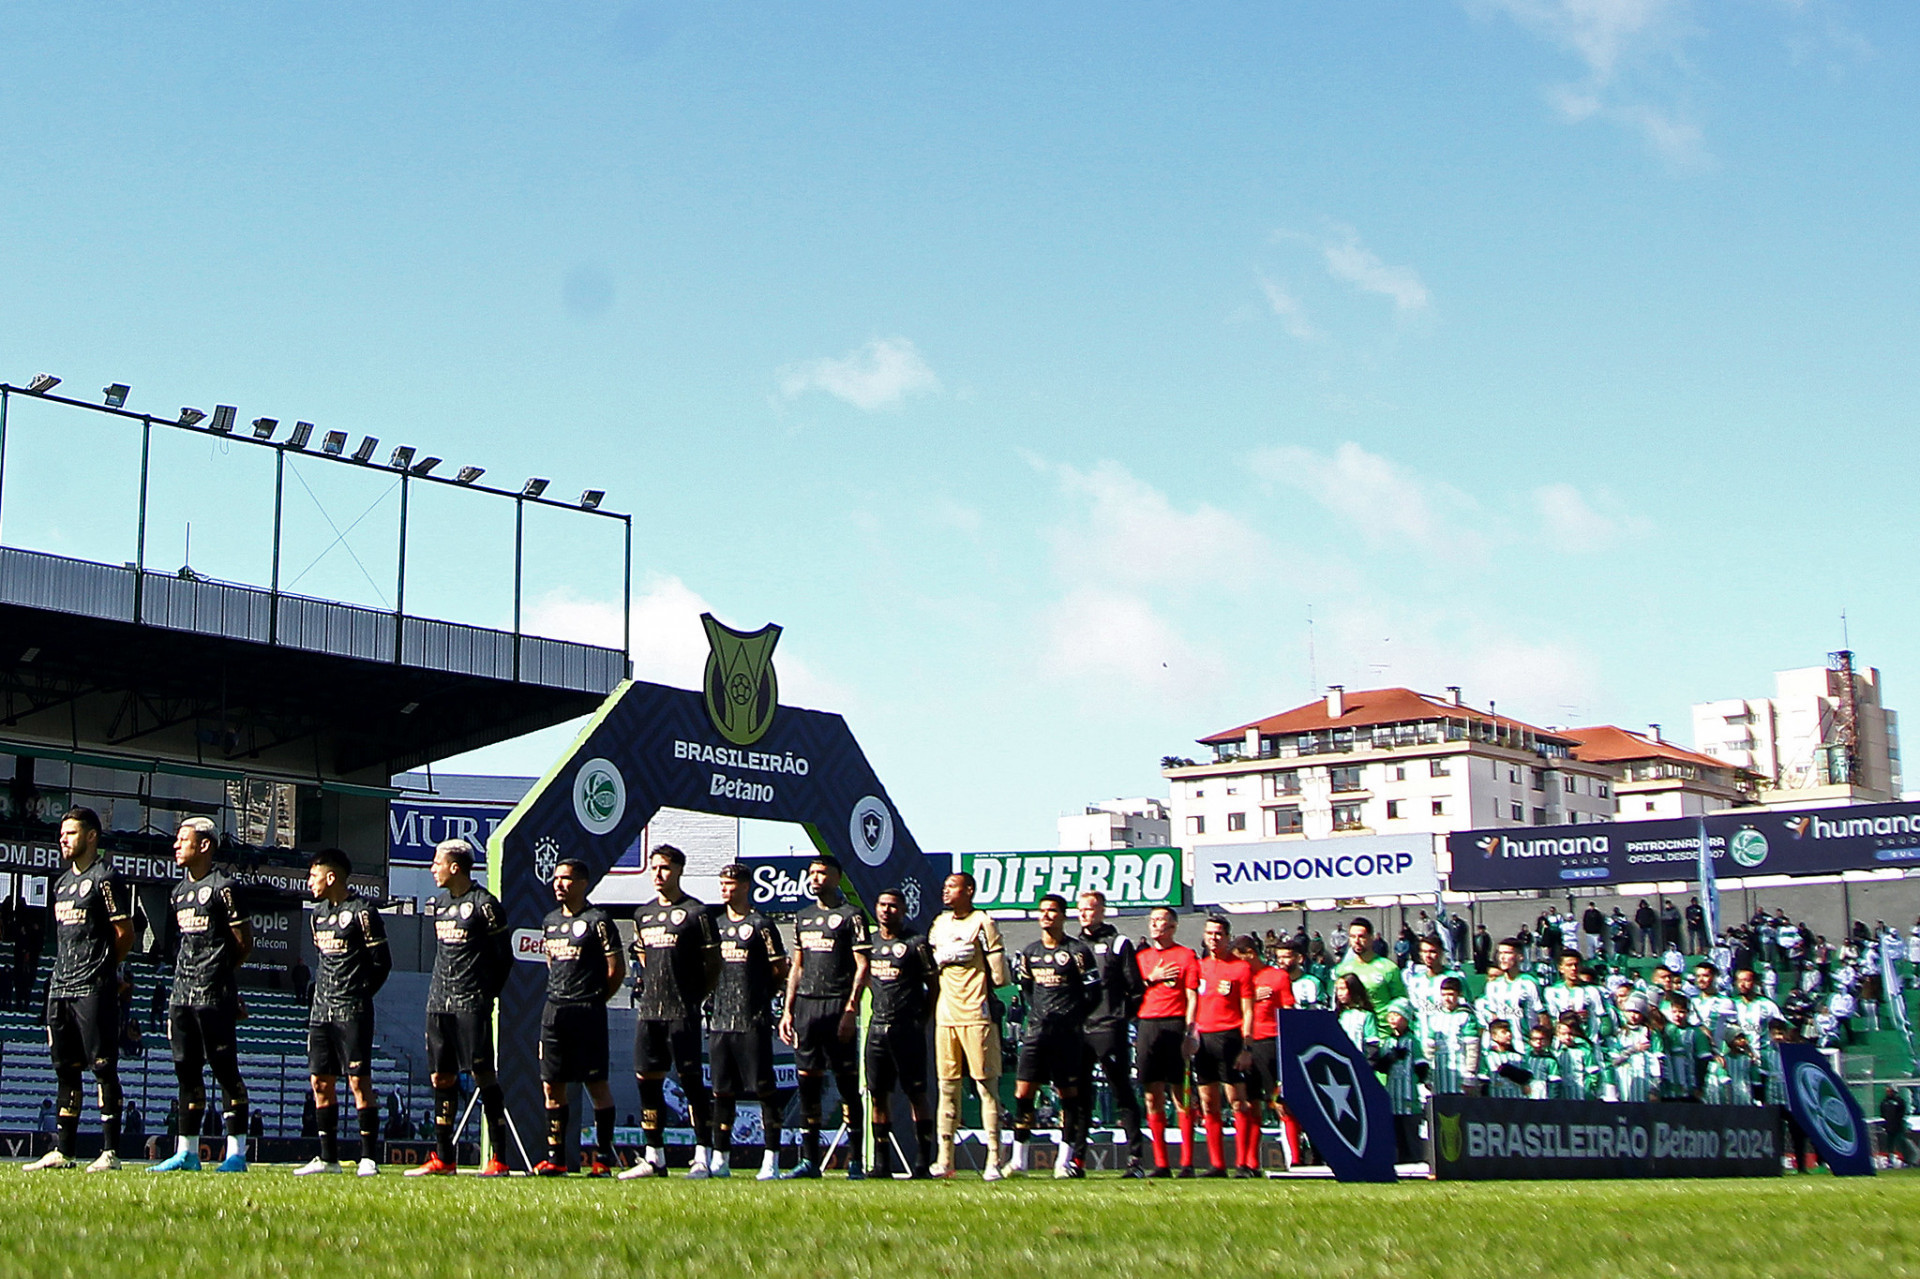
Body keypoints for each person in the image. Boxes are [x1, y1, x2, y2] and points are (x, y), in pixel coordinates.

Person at [27, 808, 134, 1172]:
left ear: (91, 837)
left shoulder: (106, 879)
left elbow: (125, 934)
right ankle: (64, 1150)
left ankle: (109, 1152)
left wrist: (104, 970)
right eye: (62, 833)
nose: (63, 839)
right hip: (61, 986)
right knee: (65, 1069)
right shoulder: (60, 885)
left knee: (103, 1066)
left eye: (71, 833)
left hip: (94, 986)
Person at [150, 817, 254, 1174]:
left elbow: (244, 943)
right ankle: (186, 1152)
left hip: (214, 993)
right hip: (182, 993)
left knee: (226, 1070)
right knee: (186, 1072)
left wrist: (221, 976)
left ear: (204, 845)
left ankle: (236, 1153)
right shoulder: (178, 892)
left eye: (183, 840)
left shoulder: (225, 887)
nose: (176, 846)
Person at [409, 838, 512, 1178]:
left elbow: (504, 957)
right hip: (439, 1002)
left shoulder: (485, 905)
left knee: (483, 1075)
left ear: (455, 867)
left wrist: (486, 994)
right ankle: (443, 1157)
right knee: (442, 1077)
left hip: (472, 1002)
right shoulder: (438, 904)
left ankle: (499, 1157)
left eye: (436, 862)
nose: (432, 868)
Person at [621, 844, 720, 1180]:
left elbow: (713, 964)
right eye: (654, 868)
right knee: (647, 1080)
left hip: (683, 1010)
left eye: (664, 868)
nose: (658, 875)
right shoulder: (643, 914)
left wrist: (694, 996)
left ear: (679, 869)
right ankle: (654, 1157)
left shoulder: (697, 913)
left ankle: (702, 1157)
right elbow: (643, 957)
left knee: (692, 1082)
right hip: (650, 1011)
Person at [294, 849, 391, 1177]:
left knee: (358, 1082)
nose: (310, 882)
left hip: (353, 1011)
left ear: (331, 876)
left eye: (313, 875)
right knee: (320, 1081)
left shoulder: (364, 912)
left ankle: (368, 1158)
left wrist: (359, 995)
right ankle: (328, 1158)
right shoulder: (317, 914)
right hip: (321, 1011)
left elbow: (382, 963)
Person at [779, 856, 871, 1179]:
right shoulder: (802, 917)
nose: (815, 878)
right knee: (808, 1083)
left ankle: (856, 1160)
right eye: (812, 873)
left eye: (822, 872)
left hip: (837, 1006)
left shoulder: (852, 916)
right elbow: (797, 966)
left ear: (837, 877)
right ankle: (809, 1161)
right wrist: (788, 1010)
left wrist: (851, 1007)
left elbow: (863, 965)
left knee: (847, 1085)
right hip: (806, 1007)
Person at [535, 858, 625, 1176]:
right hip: (555, 1012)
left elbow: (617, 970)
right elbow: (550, 962)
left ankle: (602, 1158)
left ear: (583, 883)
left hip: (588, 1011)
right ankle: (555, 1157)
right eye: (556, 878)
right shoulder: (549, 921)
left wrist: (596, 999)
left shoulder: (599, 920)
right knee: (552, 1086)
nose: (559, 883)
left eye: (567, 879)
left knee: (595, 1084)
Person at [706, 862, 789, 1181]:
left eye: (730, 884)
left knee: (765, 1090)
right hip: (720, 1022)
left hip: (751, 1021)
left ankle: (771, 1160)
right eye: (722, 883)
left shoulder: (761, 924)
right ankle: (720, 1159)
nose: (725, 889)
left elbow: (778, 968)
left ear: (744, 886)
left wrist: (759, 997)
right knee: (722, 1092)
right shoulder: (714, 925)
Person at [923, 870, 1007, 1180]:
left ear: (968, 890)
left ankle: (994, 1159)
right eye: (944, 886)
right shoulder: (940, 924)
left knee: (986, 1087)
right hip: (946, 1015)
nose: (945, 892)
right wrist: (945, 956)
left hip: (976, 1013)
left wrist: (977, 962)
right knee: (947, 1088)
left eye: (952, 887)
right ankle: (944, 1161)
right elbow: (932, 962)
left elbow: (1000, 976)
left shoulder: (983, 922)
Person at [1010, 895, 1099, 1177]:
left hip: (1066, 1035)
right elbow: (1026, 989)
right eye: (1043, 911)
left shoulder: (1077, 951)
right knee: (1023, 1093)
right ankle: (1018, 1160)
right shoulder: (1030, 952)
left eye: (1052, 911)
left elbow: (1094, 992)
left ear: (1063, 916)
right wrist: (1036, 1015)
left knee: (1068, 1095)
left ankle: (1064, 1160)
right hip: (1037, 1033)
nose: (1047, 916)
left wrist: (1073, 1018)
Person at [863, 887, 935, 1180]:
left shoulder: (916, 943)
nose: (886, 910)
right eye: (882, 905)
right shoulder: (868, 943)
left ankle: (922, 1163)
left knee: (916, 1094)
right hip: (877, 1029)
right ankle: (881, 1165)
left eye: (893, 906)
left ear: (903, 910)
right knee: (878, 1096)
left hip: (908, 1030)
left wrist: (922, 1020)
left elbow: (934, 985)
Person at [1076, 890, 1146, 1176]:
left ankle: (1136, 1160)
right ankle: (1075, 1160)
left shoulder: (1119, 943)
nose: (1084, 914)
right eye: (1080, 909)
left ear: (1102, 910)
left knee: (1122, 1093)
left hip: (1109, 1029)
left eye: (1090, 909)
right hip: (1080, 1031)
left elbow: (1137, 990)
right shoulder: (1074, 945)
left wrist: (1119, 1017)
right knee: (1080, 1096)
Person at [1133, 906, 1199, 1178]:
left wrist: (1191, 1031)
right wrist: (1151, 978)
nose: (1156, 924)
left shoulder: (1185, 956)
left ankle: (1187, 1163)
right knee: (1152, 1095)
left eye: (1161, 920)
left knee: (1181, 1095)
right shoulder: (1142, 958)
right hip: (1147, 1025)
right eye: (1153, 920)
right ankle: (1160, 1164)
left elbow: (1192, 995)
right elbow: (1133, 989)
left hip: (1174, 1023)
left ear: (1172, 926)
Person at [1189, 916, 1253, 1179]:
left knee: (1237, 1101)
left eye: (1219, 934)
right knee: (1208, 1102)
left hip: (1230, 1037)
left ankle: (1244, 1163)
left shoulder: (1241, 969)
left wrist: (1246, 1045)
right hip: (1203, 1039)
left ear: (1227, 937)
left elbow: (1248, 1009)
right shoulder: (1199, 967)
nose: (1214, 938)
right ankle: (1217, 1164)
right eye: (1210, 933)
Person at [1232, 933, 1292, 1172]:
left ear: (1250, 954)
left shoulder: (1276, 977)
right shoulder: (1239, 980)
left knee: (1279, 1103)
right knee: (1249, 1103)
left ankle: (1295, 1159)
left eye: (1240, 959)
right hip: (1244, 1044)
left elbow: (1288, 1010)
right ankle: (1248, 1163)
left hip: (1270, 1043)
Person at [1421, 977, 1481, 1097]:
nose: (1447, 999)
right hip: (1439, 1076)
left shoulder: (1466, 1016)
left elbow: (1472, 1048)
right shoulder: (1434, 1018)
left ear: (1459, 995)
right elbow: (1429, 1049)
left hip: (1460, 1075)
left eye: (1451, 994)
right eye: (1444, 995)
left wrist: (1469, 1074)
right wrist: (1428, 1076)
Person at [1332, 918, 1407, 1011]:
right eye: (1352, 936)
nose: (1356, 941)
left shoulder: (1389, 968)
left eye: (1361, 936)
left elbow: (1401, 1001)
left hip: (1382, 1024)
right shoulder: (1342, 969)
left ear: (1371, 938)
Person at [1478, 938, 1545, 1039]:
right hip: (1504, 1047)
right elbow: (1494, 1018)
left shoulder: (1529, 983)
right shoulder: (1492, 986)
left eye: (1508, 953)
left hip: (1526, 1046)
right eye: (1500, 953)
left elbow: (1542, 1016)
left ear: (1520, 957)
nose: (1503, 957)